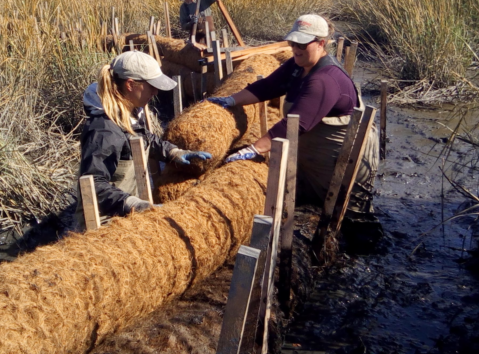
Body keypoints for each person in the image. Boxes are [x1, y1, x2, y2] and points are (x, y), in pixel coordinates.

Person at [206, 14, 377, 204]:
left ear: (321, 43)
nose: (295, 49)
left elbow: (295, 124)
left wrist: (254, 149)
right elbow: (268, 87)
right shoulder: (298, 66)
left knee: (345, 211)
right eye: (292, 43)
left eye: (302, 44)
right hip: (313, 155)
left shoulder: (325, 80)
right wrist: (231, 100)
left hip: (340, 160)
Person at [74, 51, 211, 229]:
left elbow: (143, 137)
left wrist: (173, 152)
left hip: (122, 213)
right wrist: (134, 204)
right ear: (131, 85)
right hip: (103, 222)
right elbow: (93, 185)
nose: (155, 92)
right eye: (151, 86)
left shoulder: (125, 111)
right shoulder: (104, 129)